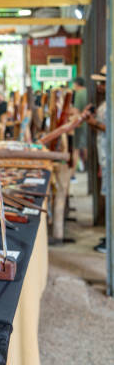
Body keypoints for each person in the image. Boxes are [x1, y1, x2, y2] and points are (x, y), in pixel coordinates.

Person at [88, 66, 107, 253]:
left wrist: (95, 123)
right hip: (105, 156)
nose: (100, 86)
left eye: (102, 82)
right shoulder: (105, 104)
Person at [72, 77, 88, 171]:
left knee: (76, 148)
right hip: (87, 122)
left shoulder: (79, 94)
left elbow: (76, 111)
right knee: (85, 146)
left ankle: (73, 173)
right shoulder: (87, 92)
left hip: (80, 123)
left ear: (76, 84)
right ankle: (87, 167)